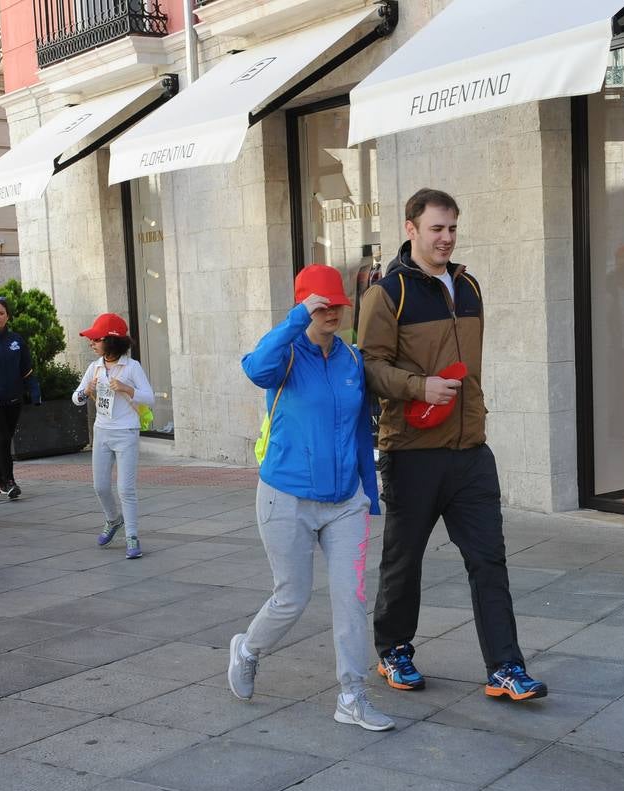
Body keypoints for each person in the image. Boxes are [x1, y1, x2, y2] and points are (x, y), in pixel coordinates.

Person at [358, 188, 547, 702]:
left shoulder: (469, 287)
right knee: (405, 560)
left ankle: (505, 668)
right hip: (413, 451)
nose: (446, 238)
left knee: (490, 560)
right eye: (437, 228)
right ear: (410, 228)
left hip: (470, 450)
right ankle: (393, 649)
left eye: (453, 228)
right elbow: (370, 366)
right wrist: (421, 387)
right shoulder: (388, 292)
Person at [228, 266, 392, 732]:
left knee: (351, 598)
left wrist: (367, 491)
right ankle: (248, 649)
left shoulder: (351, 360)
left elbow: (361, 429)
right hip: (286, 497)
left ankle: (352, 695)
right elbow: (254, 368)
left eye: (338, 304)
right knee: (292, 596)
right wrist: (296, 319)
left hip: (345, 502)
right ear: (304, 306)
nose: (332, 312)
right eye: (322, 305)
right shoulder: (286, 356)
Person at [72, 313, 152, 559]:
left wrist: (127, 388)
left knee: (126, 488)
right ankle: (112, 520)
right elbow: (75, 399)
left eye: (96, 338)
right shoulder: (94, 367)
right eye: (92, 339)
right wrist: (86, 390)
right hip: (102, 432)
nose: (91, 342)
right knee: (100, 486)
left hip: (126, 432)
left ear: (112, 342)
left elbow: (149, 398)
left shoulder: (132, 367)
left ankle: (132, 536)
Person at [0, 297, 41, 500]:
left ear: (7, 316)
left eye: (1, 313)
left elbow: (26, 369)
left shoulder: (17, 340)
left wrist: (35, 393)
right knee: (3, 438)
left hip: (14, 401)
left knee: (4, 441)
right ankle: (9, 481)